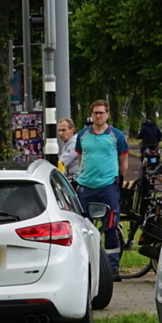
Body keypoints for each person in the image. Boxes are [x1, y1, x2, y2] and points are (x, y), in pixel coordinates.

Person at [75, 99, 129, 280]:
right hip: (85, 187)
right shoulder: (82, 135)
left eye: (101, 112)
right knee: (82, 227)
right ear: (91, 114)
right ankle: (85, 266)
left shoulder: (117, 135)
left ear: (107, 114)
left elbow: (124, 163)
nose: (98, 116)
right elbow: (80, 158)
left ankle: (112, 268)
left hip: (108, 187)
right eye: (95, 112)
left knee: (110, 227)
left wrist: (118, 182)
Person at [56, 117, 80, 183]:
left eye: (63, 130)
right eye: (59, 130)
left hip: (75, 180)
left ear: (72, 130)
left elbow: (61, 162)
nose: (60, 133)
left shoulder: (74, 143)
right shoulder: (68, 142)